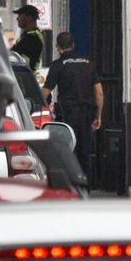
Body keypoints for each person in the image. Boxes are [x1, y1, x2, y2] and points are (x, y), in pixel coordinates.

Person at [42, 32, 103, 176]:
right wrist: (98, 116)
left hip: (67, 116)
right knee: (85, 154)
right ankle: (85, 189)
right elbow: (99, 93)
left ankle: (71, 188)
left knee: (67, 153)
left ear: (58, 47)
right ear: (73, 45)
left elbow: (45, 93)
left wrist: (43, 106)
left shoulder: (57, 65)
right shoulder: (88, 63)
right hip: (87, 115)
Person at [10, 5, 46, 71]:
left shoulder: (31, 38)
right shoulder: (30, 35)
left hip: (25, 76)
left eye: (20, 15)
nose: (17, 18)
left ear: (29, 18)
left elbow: (12, 54)